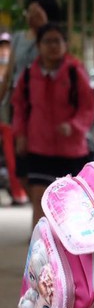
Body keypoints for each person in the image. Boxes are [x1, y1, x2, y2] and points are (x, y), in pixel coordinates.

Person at [11, 23, 94, 229]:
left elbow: (88, 108)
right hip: (39, 148)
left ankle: (71, 252)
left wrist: (73, 126)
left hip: (72, 150)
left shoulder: (75, 72)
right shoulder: (29, 74)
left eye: (57, 41)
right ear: (39, 45)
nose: (52, 46)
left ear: (65, 44)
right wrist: (20, 135)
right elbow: (19, 107)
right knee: (40, 203)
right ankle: (39, 252)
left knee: (72, 206)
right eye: (47, 41)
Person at [0, 0, 60, 206]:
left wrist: (44, 30)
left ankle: (44, 211)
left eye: (37, 11)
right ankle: (39, 207)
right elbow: (9, 74)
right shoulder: (17, 38)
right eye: (30, 10)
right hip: (18, 106)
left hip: (43, 107)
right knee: (21, 165)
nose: (31, 15)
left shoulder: (53, 39)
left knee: (39, 165)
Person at [1, 32, 29, 205]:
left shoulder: (16, 73)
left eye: (6, 47)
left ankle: (18, 191)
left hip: (8, 120)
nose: (3, 51)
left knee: (13, 157)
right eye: (1, 47)